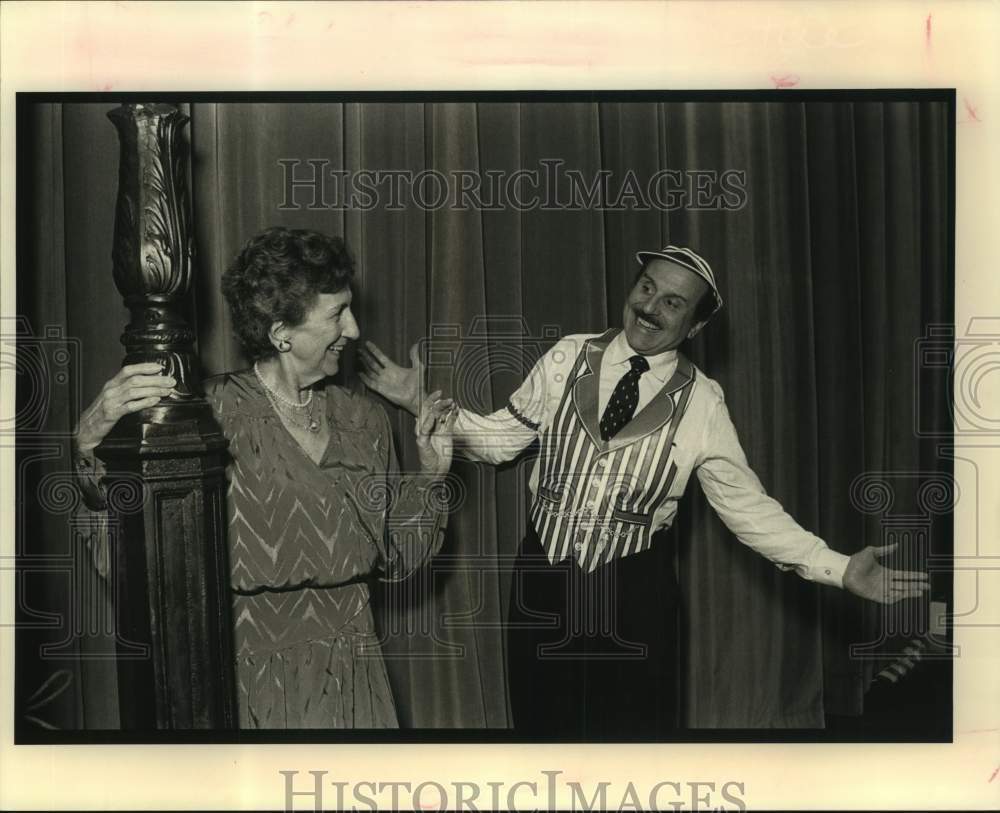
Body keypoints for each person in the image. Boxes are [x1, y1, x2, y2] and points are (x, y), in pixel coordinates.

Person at [358, 244, 930, 738]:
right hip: (543, 583)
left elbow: (748, 510)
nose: (649, 307)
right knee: (539, 740)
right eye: (647, 287)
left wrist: (835, 567)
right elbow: (501, 441)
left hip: (636, 596)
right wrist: (422, 401)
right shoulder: (568, 356)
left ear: (696, 326)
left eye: (672, 302)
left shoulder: (703, 402)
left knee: (633, 749)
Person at [72, 226, 457, 729]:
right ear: (282, 332)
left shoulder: (365, 421)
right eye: (338, 314)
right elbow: (138, 563)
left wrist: (431, 474)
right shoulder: (209, 416)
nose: (356, 330)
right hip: (251, 685)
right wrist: (86, 445)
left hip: (358, 679)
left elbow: (395, 559)